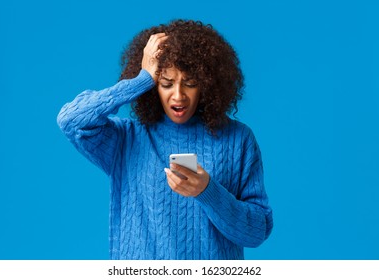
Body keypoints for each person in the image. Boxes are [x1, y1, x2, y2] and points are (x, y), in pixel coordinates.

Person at [57, 19, 273, 260]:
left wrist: (207, 191)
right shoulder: (127, 139)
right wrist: (142, 79)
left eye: (190, 83)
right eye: (166, 83)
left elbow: (257, 231)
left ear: (207, 85)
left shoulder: (237, 140)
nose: (178, 96)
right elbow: (71, 119)